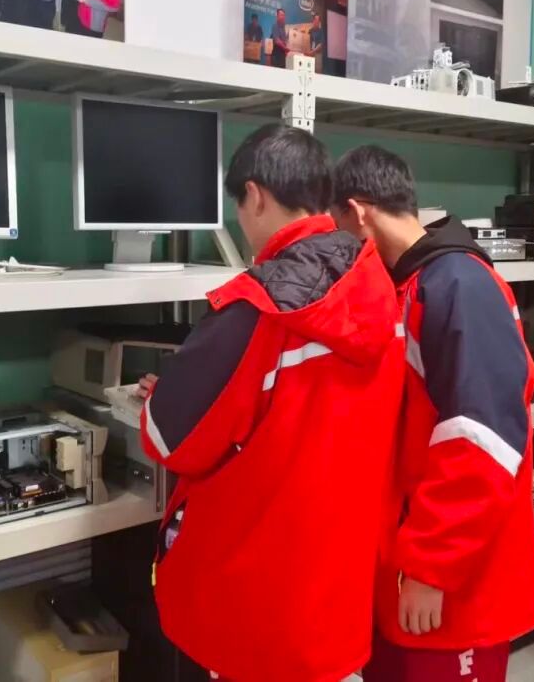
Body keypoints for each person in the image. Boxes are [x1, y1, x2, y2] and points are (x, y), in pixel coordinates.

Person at [138, 125, 404, 682]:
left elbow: (169, 440)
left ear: (255, 196)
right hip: (339, 599)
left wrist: (163, 396)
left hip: (259, 607)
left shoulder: (254, 308)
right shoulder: (380, 286)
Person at [331, 146, 534, 682]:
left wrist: (431, 567)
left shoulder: (457, 286)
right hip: (409, 563)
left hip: (452, 581)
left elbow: (483, 440)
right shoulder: (413, 283)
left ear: (358, 212)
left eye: (339, 229)